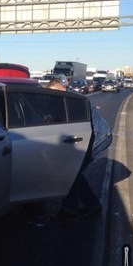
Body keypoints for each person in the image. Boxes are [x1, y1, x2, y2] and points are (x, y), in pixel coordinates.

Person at [47, 78, 108, 219]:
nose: (53, 97)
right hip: (93, 135)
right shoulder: (65, 99)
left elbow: (73, 123)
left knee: (73, 172)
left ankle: (69, 208)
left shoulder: (72, 99)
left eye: (54, 93)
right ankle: (92, 205)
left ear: (61, 88)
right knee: (76, 172)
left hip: (100, 136)